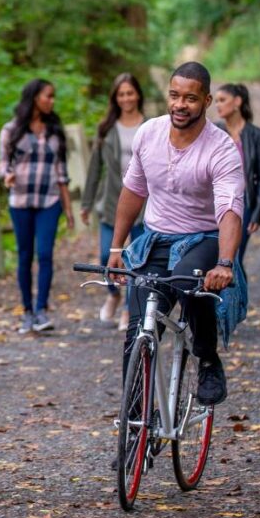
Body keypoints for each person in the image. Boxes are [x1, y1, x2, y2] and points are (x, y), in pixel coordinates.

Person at [108, 61, 245, 406]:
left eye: (190, 98)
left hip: (203, 238)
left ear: (207, 100)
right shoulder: (148, 134)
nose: (180, 105)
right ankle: (137, 429)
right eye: (174, 95)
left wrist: (225, 263)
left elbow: (230, 208)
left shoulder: (221, 148)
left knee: (190, 281)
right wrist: (114, 248)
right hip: (156, 237)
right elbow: (133, 192)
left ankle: (207, 359)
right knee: (138, 329)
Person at [0, 79, 75, 334]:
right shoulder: (11, 130)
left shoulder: (55, 132)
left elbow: (62, 173)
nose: (52, 101)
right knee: (24, 256)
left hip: (49, 201)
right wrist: (7, 175)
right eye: (48, 96)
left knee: (44, 254)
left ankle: (42, 310)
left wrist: (69, 209)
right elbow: (2, 164)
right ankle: (27, 312)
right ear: (34, 98)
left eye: (53, 97)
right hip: (20, 202)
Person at [81, 73, 147, 331]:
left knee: (137, 261)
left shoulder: (152, 126)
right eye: (121, 94)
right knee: (106, 254)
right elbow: (95, 168)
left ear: (138, 95)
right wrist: (86, 203)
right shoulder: (106, 128)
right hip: (111, 201)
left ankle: (129, 309)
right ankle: (114, 294)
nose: (126, 98)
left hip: (143, 203)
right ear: (115, 98)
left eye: (130, 93)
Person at [214, 83, 260, 271]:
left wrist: (257, 212)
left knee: (233, 258)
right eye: (217, 101)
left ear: (237, 101)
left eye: (222, 100)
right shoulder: (214, 131)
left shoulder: (256, 135)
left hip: (243, 204)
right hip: (215, 202)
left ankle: (237, 300)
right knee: (216, 257)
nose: (218, 105)